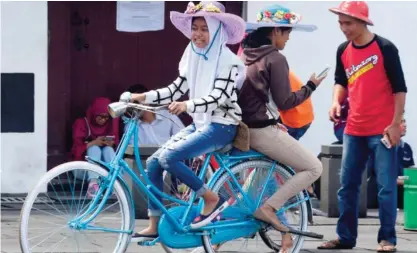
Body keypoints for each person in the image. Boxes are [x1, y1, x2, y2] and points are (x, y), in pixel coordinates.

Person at [125, 1, 246, 242]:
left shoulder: (229, 61)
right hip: (201, 123)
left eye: (204, 28)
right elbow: (175, 89)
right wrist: (143, 97)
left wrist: (187, 105)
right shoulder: (191, 53)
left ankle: (210, 197)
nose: (198, 34)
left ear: (215, 30)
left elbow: (218, 97)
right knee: (153, 163)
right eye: (195, 28)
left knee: (170, 157)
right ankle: (155, 223)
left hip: (222, 125)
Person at [318, 2, 408, 252]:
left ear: (362, 22)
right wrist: (335, 101)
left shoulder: (385, 48)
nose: (343, 28)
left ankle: (387, 239)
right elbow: (340, 80)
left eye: (348, 23)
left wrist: (395, 123)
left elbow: (400, 89)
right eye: (340, 23)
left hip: (383, 130)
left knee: (386, 188)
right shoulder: (343, 50)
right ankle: (345, 237)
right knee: (347, 186)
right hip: (353, 129)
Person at [239, 4, 326, 252]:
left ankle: (217, 239)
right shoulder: (275, 58)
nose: (288, 38)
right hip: (262, 132)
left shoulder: (246, 53)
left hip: (244, 130)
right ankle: (270, 208)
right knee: (313, 167)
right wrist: (310, 86)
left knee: (252, 187)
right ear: (276, 30)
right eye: (287, 32)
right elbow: (286, 101)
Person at [71, 97, 120, 197]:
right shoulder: (82, 123)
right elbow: (76, 151)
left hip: (104, 172)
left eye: (106, 117)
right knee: (94, 149)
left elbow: (118, 147)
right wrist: (94, 143)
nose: (103, 120)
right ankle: (93, 185)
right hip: (83, 170)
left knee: (108, 149)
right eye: (100, 116)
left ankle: (114, 183)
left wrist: (111, 144)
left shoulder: (110, 125)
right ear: (93, 114)